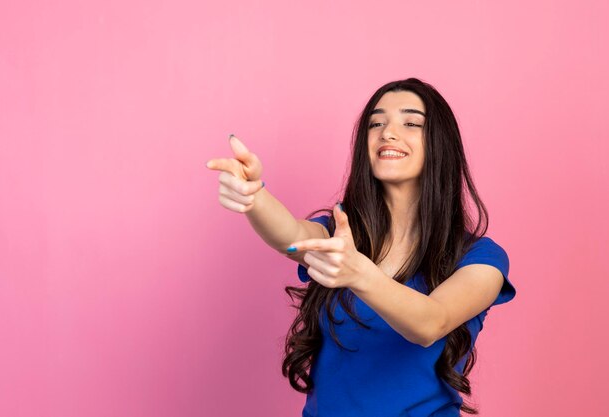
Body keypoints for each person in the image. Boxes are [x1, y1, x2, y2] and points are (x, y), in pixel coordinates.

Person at [205, 78, 516, 417]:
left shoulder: (481, 258)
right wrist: (254, 196)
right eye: (375, 123)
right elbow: (291, 236)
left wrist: (360, 275)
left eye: (411, 122)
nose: (387, 133)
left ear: (440, 144)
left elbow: (431, 322)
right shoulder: (341, 235)